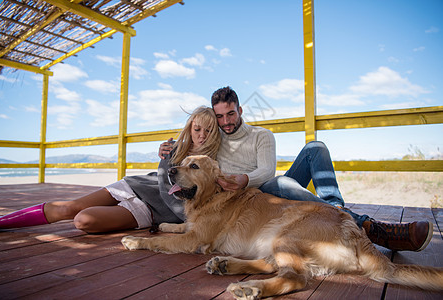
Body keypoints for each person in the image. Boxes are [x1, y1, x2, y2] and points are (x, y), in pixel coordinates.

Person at [159, 87, 433, 252]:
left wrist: (244, 179)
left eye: (230, 114)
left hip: (260, 186)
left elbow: (267, 172)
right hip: (244, 203)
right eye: (219, 116)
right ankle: (367, 226)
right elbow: (193, 143)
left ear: (240, 110)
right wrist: (166, 149)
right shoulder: (215, 140)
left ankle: (339, 213)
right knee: (285, 186)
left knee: (314, 150)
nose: (225, 121)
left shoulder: (261, 135)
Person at [0, 106, 220, 233]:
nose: (201, 135)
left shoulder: (213, 164)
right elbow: (163, 185)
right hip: (137, 186)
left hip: (152, 212)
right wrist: (187, 219)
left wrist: (186, 222)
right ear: (189, 128)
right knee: (69, 208)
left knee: (84, 221)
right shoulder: (173, 148)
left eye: (208, 130)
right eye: (196, 128)